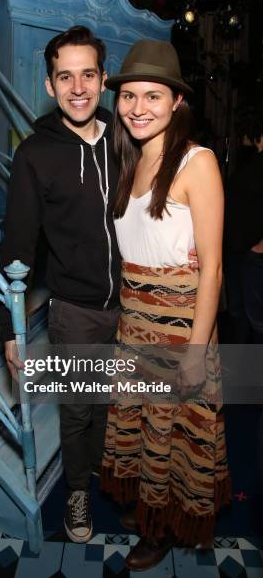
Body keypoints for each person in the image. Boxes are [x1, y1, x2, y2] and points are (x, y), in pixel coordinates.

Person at [100, 39, 231, 571]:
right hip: (135, 327)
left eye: (152, 96)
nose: (137, 108)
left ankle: (163, 530)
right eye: (128, 96)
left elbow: (214, 270)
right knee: (145, 431)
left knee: (174, 433)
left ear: (177, 101)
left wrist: (197, 351)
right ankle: (154, 511)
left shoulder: (197, 163)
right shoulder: (127, 161)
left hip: (182, 332)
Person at [0, 26, 122, 543]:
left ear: (103, 78)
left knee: (115, 400)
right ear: (50, 85)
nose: (78, 87)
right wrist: (10, 325)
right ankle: (75, 493)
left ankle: (101, 469)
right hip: (75, 308)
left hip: (135, 304)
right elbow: (18, 247)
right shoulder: (35, 154)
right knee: (77, 409)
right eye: (64, 76)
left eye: (87, 75)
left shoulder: (124, 135)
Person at [224, 115, 263, 344]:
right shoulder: (250, 160)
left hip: (252, 255)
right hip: (237, 250)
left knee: (256, 319)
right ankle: (242, 373)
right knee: (238, 314)